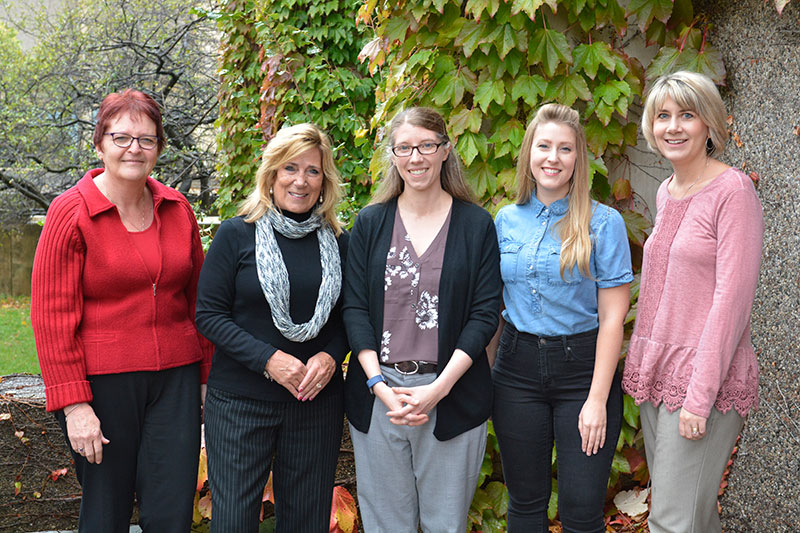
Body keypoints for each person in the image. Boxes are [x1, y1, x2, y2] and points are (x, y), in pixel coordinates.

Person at [30, 89, 212, 532]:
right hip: (103, 387)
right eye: (122, 137)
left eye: (147, 140)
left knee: (171, 512)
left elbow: (199, 301)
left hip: (176, 381)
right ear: (100, 143)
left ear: (159, 148)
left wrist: (207, 379)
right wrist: (74, 405)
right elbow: (51, 316)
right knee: (105, 513)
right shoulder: (70, 214)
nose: (135, 148)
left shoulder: (176, 208)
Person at [342, 107, 501, 533]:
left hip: (452, 394)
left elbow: (485, 314)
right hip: (380, 399)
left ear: (445, 151)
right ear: (392, 155)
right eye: (405, 148)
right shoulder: (371, 223)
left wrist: (439, 389)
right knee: (385, 526)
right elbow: (354, 308)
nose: (417, 157)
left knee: (445, 525)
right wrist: (378, 384)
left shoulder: (476, 225)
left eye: (427, 146)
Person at [622, 71, 763, 533]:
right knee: (691, 519)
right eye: (663, 116)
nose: (673, 126)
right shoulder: (666, 191)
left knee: (671, 522)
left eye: (687, 114)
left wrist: (699, 399)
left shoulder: (733, 191)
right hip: (661, 373)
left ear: (709, 125)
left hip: (705, 381)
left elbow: (731, 302)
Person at [195, 123, 348, 533]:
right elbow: (208, 315)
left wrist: (331, 356)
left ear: (324, 180)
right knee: (234, 522)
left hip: (315, 402)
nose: (301, 180)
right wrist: (268, 360)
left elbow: (351, 318)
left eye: (313, 171)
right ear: (272, 174)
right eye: (290, 168)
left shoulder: (339, 242)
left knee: (305, 521)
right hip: (242, 402)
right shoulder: (235, 234)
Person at [490, 103, 633, 532]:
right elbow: (494, 306)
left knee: (582, 508)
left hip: (583, 373)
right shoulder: (505, 220)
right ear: (529, 153)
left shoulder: (603, 223)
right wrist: (492, 372)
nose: (553, 157)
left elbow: (612, 319)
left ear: (578, 159)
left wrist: (595, 399)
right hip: (516, 373)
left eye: (565, 149)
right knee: (525, 503)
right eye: (544, 146)